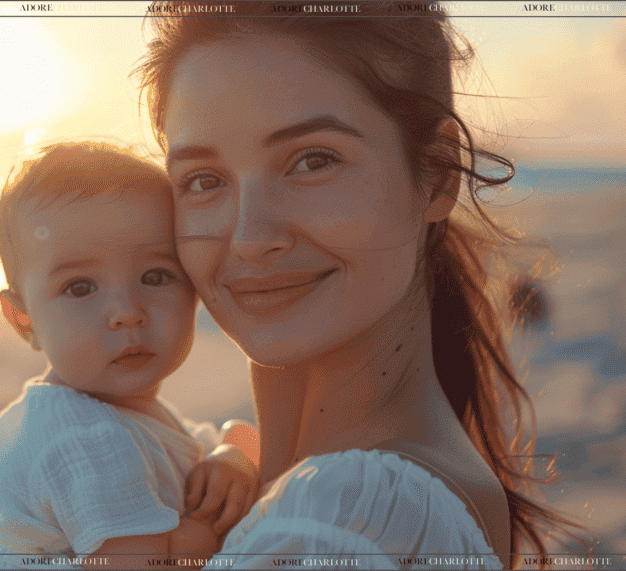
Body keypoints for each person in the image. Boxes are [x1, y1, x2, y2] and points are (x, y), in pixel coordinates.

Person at [136, 1, 583, 568]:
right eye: (203, 180)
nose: (249, 237)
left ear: (439, 175)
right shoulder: (323, 499)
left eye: (312, 160)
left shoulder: (342, 520)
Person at [0, 142, 259, 568]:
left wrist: (232, 456)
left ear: (193, 290)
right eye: (81, 287)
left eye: (156, 276)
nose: (128, 312)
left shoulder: (118, 416)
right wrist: (213, 520)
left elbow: (194, 455)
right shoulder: (80, 438)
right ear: (23, 319)